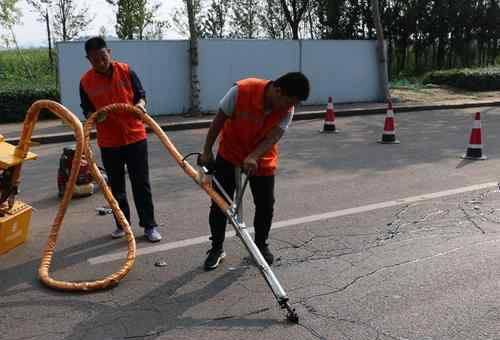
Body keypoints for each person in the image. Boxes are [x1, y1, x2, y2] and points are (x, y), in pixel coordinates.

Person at [199, 72, 310, 270]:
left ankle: (260, 245)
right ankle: (216, 248)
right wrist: (207, 150)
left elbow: (274, 136)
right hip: (230, 151)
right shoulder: (241, 91)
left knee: (266, 204)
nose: (288, 107)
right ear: (277, 90)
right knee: (220, 203)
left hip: (262, 156)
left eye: (292, 104)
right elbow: (218, 121)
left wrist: (254, 156)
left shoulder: (288, 108)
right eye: (287, 102)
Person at [79, 37, 162, 242]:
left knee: (141, 183)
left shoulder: (126, 71)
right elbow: (87, 110)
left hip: (135, 136)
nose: (100, 62)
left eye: (103, 57)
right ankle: (122, 225)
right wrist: (96, 115)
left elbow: (141, 95)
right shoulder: (85, 82)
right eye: (94, 59)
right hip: (109, 142)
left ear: (109, 52)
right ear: (88, 59)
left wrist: (141, 105)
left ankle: (149, 226)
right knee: (116, 187)